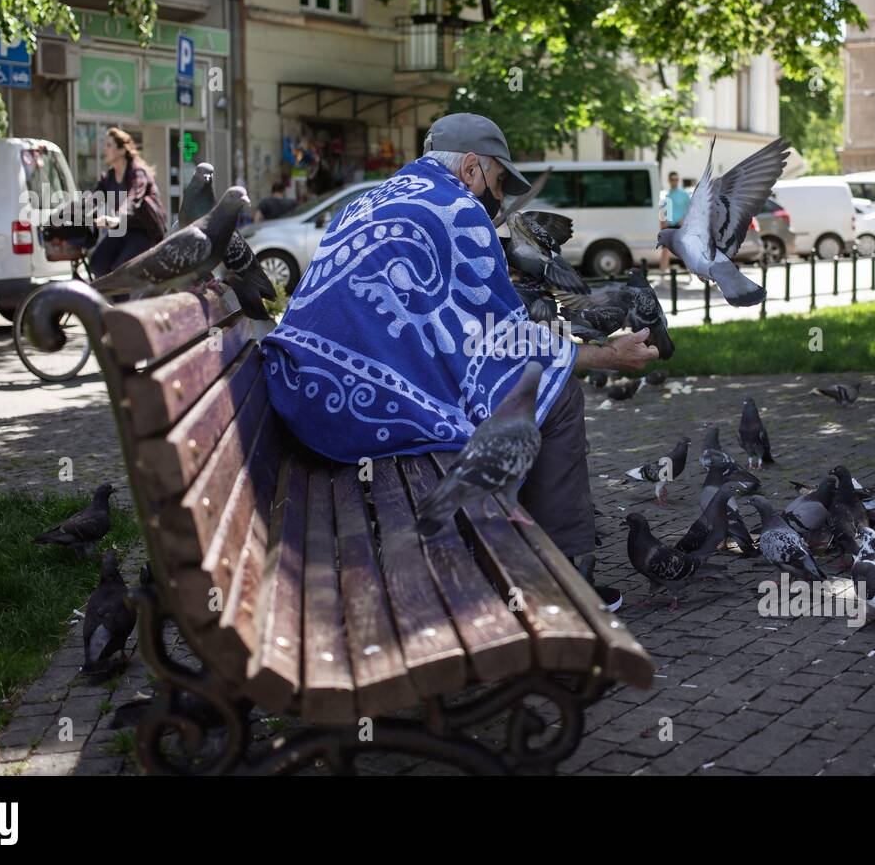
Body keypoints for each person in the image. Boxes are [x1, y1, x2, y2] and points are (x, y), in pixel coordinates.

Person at [262, 113, 656, 607]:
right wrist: (605, 356)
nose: (499, 200)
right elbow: (505, 341)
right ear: (470, 167)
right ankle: (562, 574)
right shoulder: (456, 209)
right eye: (496, 181)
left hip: (302, 396)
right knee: (552, 397)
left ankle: (524, 552)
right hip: (355, 419)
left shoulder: (368, 201)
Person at [87, 127, 167, 278]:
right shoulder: (108, 178)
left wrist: (117, 217)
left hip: (143, 232)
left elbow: (134, 198)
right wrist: (70, 215)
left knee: (120, 269)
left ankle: (125, 302)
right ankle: (113, 300)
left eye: (109, 145)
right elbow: (92, 199)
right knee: (98, 264)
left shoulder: (138, 174)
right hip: (122, 229)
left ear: (122, 150)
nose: (104, 149)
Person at [659, 171, 689, 273]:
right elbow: (662, 211)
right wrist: (662, 222)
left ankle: (692, 274)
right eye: (672, 179)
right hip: (668, 226)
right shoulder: (666, 195)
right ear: (669, 180)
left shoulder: (684, 195)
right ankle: (663, 274)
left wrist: (683, 219)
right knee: (665, 251)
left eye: (676, 179)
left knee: (683, 251)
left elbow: (690, 209)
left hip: (680, 226)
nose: (674, 181)